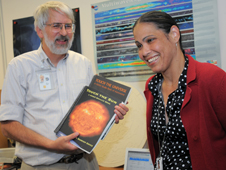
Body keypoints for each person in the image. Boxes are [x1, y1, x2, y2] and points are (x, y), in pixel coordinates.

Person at [0, 1, 129, 170]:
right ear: (39, 30)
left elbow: (94, 110)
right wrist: (51, 145)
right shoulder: (19, 67)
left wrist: (112, 115)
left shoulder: (84, 64)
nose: (64, 33)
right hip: (42, 166)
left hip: (86, 162)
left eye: (68, 26)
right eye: (56, 26)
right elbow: (8, 127)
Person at [133, 11, 226, 170]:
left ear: (174, 34)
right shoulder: (152, 86)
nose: (144, 52)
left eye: (150, 40)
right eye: (139, 45)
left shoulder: (212, 78)